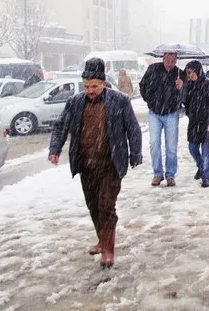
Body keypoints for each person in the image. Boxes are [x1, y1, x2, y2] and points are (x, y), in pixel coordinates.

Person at [48, 57, 142, 268]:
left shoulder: (119, 101)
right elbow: (60, 126)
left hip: (111, 163)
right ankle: (101, 239)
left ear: (104, 83)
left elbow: (133, 129)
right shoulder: (75, 102)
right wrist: (55, 149)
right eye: (86, 86)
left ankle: (108, 249)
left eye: (94, 86)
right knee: (93, 206)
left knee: (106, 206)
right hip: (86, 164)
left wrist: (135, 153)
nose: (90, 90)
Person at [139, 52, 185, 187]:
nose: (170, 62)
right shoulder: (153, 69)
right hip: (155, 113)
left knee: (171, 146)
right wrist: (149, 100)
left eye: (173, 60)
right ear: (163, 58)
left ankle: (170, 175)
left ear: (176, 60)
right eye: (168, 59)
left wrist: (181, 87)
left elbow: (186, 96)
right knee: (154, 144)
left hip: (171, 113)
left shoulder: (179, 74)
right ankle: (157, 173)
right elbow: (143, 86)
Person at [183, 60, 209, 188]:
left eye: (190, 72)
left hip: (208, 122)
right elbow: (184, 102)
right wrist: (180, 89)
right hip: (194, 123)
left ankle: (206, 176)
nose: (188, 75)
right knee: (192, 148)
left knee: (206, 150)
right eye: (187, 72)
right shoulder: (188, 85)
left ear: (197, 71)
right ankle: (201, 166)